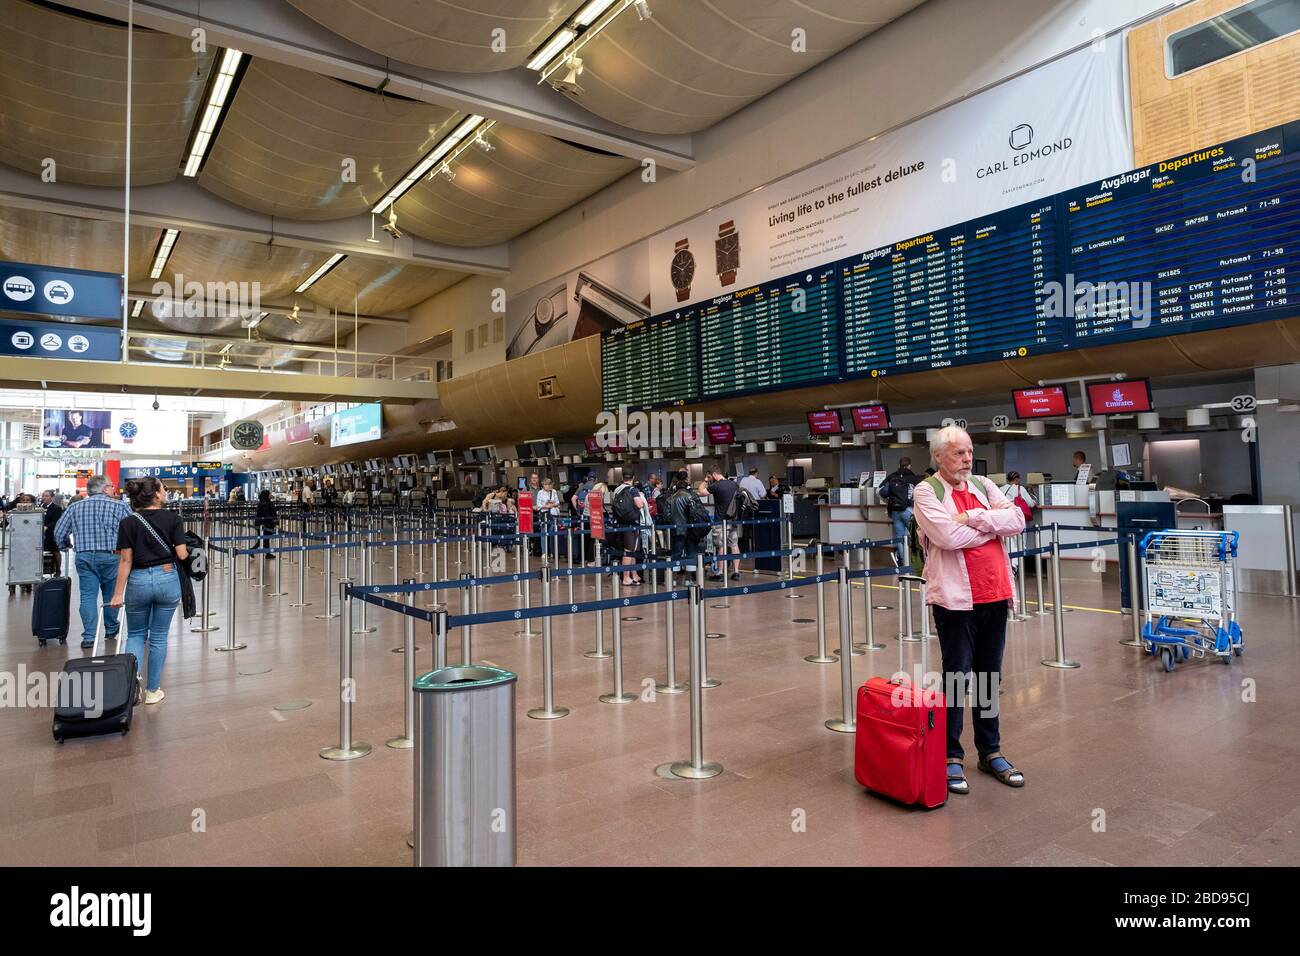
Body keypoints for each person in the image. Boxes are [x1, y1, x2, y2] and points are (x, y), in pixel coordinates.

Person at [913, 425, 1026, 796]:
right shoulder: (926, 491)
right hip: (956, 601)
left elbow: (1018, 521)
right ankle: (951, 756)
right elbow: (946, 537)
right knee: (957, 677)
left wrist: (974, 518)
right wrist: (992, 526)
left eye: (969, 452)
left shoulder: (982, 484)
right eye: (959, 453)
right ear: (939, 457)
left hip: (995, 594)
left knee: (989, 677)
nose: (967, 459)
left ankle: (990, 751)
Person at [107, 477, 189, 705]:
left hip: (138, 581)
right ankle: (153, 691)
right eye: (164, 488)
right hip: (166, 579)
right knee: (159, 636)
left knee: (135, 635)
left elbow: (125, 561)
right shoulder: (173, 519)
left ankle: (130, 684)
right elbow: (182, 554)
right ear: (156, 494)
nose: (166, 491)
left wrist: (117, 593)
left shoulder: (128, 522)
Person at [53, 475, 132, 648]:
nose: (113, 489)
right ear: (104, 489)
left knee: (87, 596)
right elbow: (133, 530)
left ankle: (89, 636)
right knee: (112, 594)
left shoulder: (75, 507)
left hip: (84, 556)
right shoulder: (120, 506)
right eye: (112, 486)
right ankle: (111, 628)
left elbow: (59, 531)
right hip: (112, 556)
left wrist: (65, 545)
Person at [878, 456, 920, 568]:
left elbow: (880, 491)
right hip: (909, 510)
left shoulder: (892, 477)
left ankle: (903, 561)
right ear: (909, 465)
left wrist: (888, 501)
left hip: (895, 511)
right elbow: (921, 493)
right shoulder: (913, 477)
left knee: (900, 537)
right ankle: (917, 562)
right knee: (916, 536)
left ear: (900, 465)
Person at [611, 473, 646, 586]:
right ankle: (626, 577)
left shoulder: (617, 489)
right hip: (632, 523)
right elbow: (639, 504)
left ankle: (634, 574)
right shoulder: (633, 490)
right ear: (633, 478)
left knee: (632, 550)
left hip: (621, 523)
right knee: (629, 551)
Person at [705, 468, 740, 581]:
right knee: (734, 545)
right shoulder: (734, 484)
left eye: (711, 475)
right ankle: (736, 572)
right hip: (732, 519)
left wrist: (706, 480)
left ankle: (719, 573)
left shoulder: (716, 485)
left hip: (720, 521)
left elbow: (701, 491)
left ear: (714, 474)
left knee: (721, 547)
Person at [41, 490, 64, 576]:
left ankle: (58, 570)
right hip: (41, 534)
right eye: (43, 496)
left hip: (51, 533)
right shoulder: (40, 507)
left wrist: (47, 527)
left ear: (52, 497)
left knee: (55, 551)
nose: (44, 497)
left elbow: (57, 521)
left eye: (47, 496)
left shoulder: (56, 508)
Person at [255, 489, 278, 560]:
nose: (271, 495)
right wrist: (273, 521)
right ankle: (252, 550)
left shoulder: (262, 502)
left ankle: (267, 553)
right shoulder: (266, 503)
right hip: (264, 524)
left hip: (260, 523)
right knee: (264, 539)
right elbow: (267, 514)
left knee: (264, 539)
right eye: (269, 494)